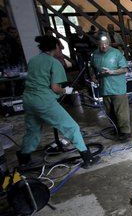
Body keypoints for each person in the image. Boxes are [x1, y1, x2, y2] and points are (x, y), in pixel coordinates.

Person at [17, 35, 100, 169]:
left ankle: (24, 159)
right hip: (43, 101)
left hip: (28, 100)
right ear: (55, 47)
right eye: (59, 46)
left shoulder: (33, 60)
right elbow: (55, 88)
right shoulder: (54, 62)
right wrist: (65, 91)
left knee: (33, 130)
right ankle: (87, 158)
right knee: (72, 127)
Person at [91, 34, 131, 141]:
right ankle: (116, 128)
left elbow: (125, 69)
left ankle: (125, 132)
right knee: (109, 111)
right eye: (101, 44)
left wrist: (112, 72)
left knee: (121, 112)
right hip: (104, 88)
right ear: (97, 44)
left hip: (117, 88)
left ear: (109, 43)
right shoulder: (95, 54)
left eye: (106, 44)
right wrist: (93, 76)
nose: (104, 46)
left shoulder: (116, 53)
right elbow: (93, 67)